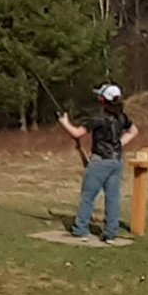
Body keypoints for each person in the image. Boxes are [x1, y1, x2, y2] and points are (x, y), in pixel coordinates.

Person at [59, 84, 139, 243]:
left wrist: (64, 122)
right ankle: (110, 233)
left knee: (88, 196)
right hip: (116, 161)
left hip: (100, 161)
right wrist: (119, 145)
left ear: (103, 100)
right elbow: (134, 131)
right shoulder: (122, 117)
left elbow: (76, 133)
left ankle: (81, 230)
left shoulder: (98, 118)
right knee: (113, 198)